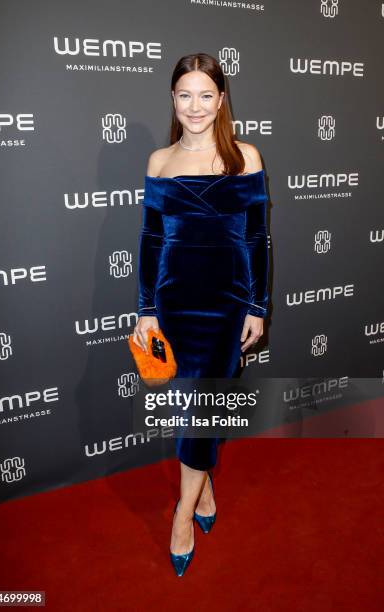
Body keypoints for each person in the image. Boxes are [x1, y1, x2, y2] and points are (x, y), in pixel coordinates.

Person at [132, 52, 270, 576]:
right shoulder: (158, 161)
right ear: (173, 99)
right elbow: (149, 240)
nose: (195, 106)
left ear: (221, 100)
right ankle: (204, 490)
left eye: (205, 95)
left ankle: (182, 516)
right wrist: (147, 309)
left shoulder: (245, 158)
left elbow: (257, 237)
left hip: (227, 303)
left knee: (201, 408)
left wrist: (257, 306)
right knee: (191, 408)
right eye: (185, 94)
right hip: (174, 302)